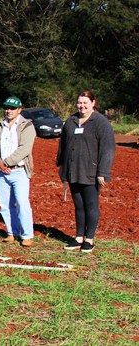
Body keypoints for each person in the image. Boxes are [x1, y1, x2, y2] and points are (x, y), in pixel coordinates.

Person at [56, 90, 115, 253]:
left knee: (91, 205)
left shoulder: (100, 123)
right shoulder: (71, 121)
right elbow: (63, 145)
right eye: (79, 103)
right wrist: (61, 166)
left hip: (91, 172)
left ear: (93, 103)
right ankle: (78, 237)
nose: (81, 106)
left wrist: (103, 172)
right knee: (79, 205)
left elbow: (108, 149)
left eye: (85, 103)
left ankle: (89, 239)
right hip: (73, 171)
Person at [0, 96, 36, 247]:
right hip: (2, 171)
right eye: (7, 107)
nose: (9, 110)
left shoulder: (27, 126)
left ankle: (27, 234)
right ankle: (12, 232)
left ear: (19, 110)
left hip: (19, 171)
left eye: (12, 108)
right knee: (4, 203)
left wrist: (7, 162)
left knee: (22, 203)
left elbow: (24, 148)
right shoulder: (0, 125)